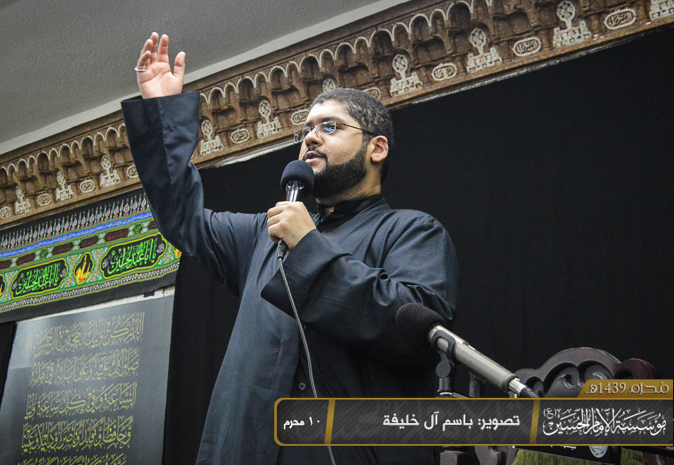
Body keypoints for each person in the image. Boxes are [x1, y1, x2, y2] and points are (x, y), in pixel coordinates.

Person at [121, 33, 459, 465]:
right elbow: (181, 218)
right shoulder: (262, 236)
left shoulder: (412, 231)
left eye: (330, 127)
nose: (310, 138)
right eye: (306, 131)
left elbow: (417, 335)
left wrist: (309, 247)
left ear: (377, 148)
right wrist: (163, 116)